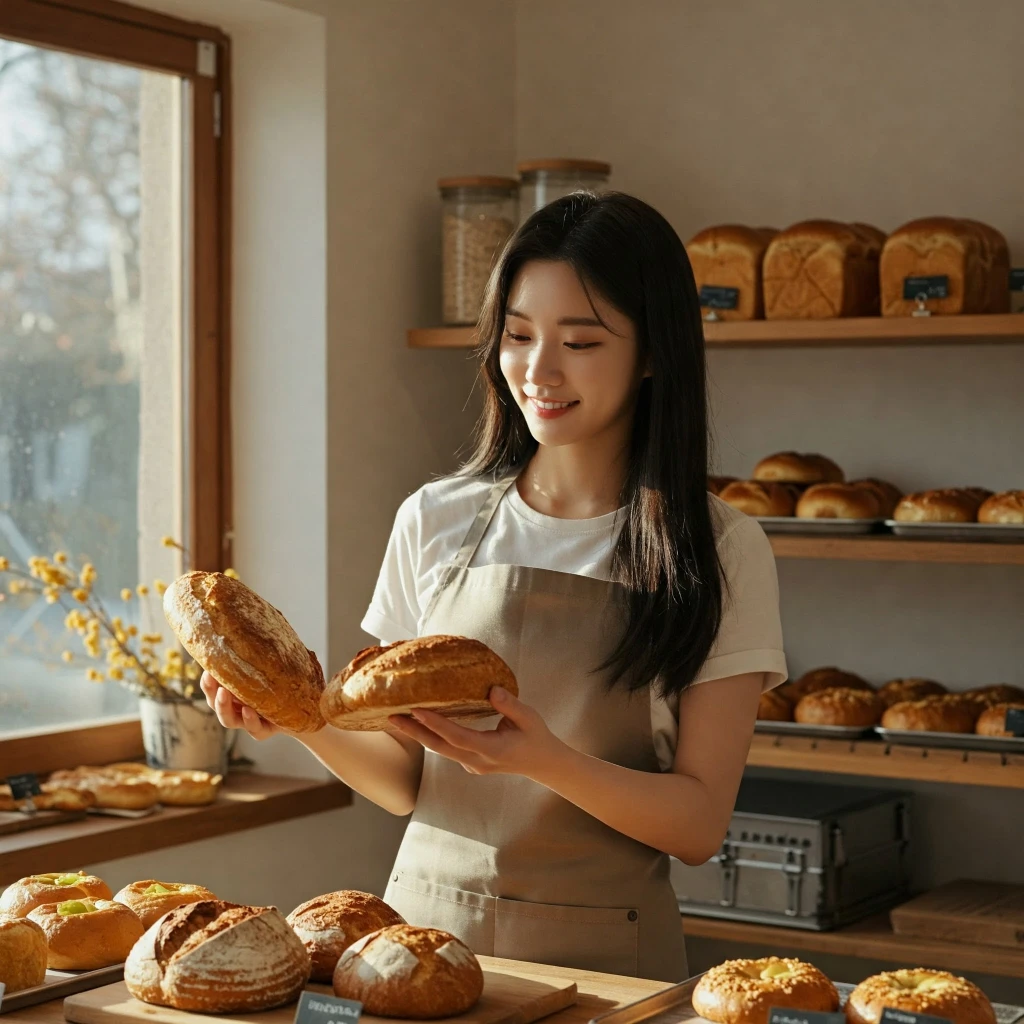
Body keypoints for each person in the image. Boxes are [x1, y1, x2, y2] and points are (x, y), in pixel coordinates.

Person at [201, 191, 786, 983]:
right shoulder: (435, 519)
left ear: (654, 353)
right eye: (517, 335)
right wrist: (299, 720)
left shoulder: (718, 549)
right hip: (418, 951)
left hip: (609, 972)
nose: (539, 371)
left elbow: (698, 824)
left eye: (580, 341)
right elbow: (406, 779)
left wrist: (544, 760)